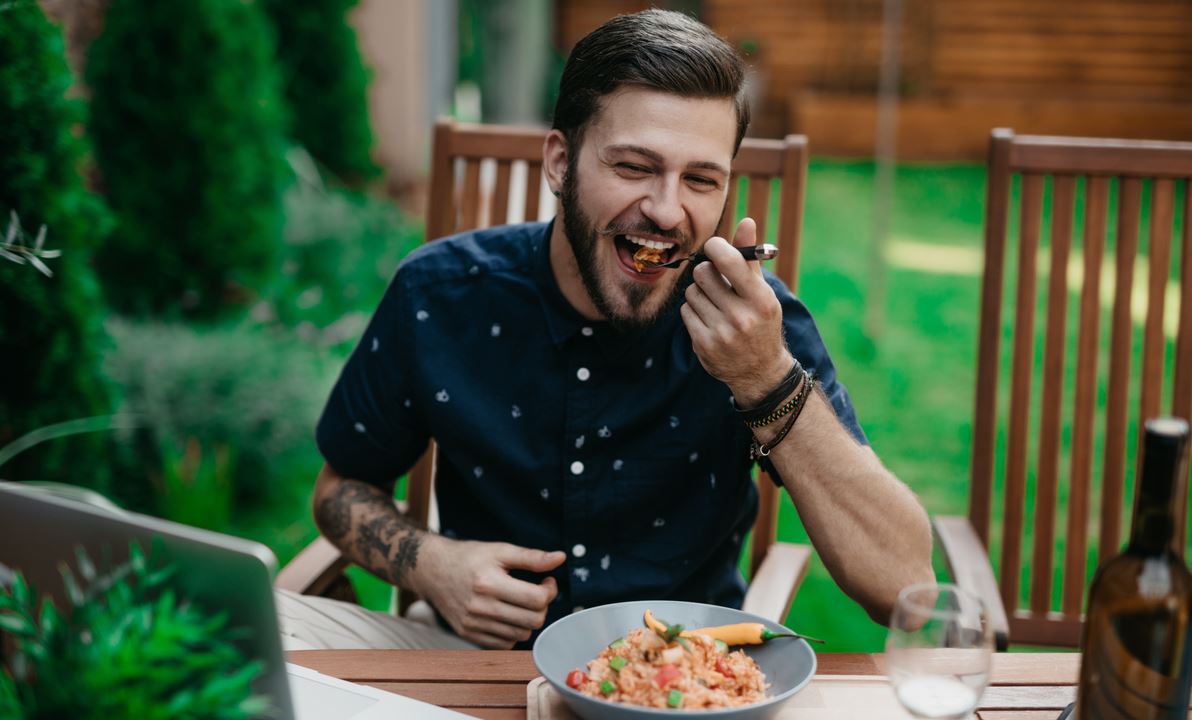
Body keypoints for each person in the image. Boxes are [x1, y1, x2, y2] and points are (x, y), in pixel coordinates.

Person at [276, 8, 933, 652]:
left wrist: (766, 378)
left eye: (701, 179)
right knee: (266, 626)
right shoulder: (439, 295)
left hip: (682, 681)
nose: (667, 209)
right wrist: (431, 565)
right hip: (471, 667)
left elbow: (906, 592)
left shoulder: (756, 328)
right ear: (560, 163)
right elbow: (341, 491)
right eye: (633, 167)